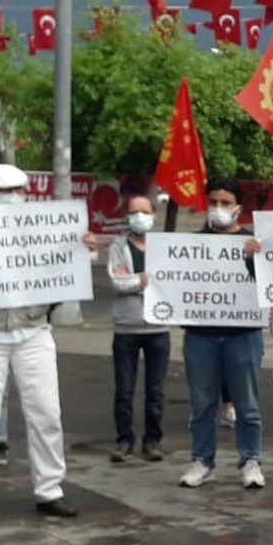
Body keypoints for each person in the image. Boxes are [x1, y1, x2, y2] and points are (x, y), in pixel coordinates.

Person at [0, 163, 79, 526]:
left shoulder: (44, 229)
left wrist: (77, 251)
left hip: (34, 330)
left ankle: (50, 490)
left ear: (26, 191)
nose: (9, 198)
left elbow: (63, 272)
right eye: (0, 192)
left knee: (47, 413)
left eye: (15, 191)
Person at [176, 178, 266, 490]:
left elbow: (269, 287)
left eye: (225, 203)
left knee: (248, 403)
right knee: (202, 404)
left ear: (238, 208)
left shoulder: (253, 243)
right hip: (200, 336)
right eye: (213, 202)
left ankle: (251, 460)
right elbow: (178, 284)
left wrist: (255, 260)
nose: (219, 208)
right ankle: (202, 461)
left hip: (244, 335)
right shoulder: (192, 244)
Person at [107, 193, 169, 462]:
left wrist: (133, 279)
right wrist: (142, 280)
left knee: (155, 390)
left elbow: (171, 280)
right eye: (133, 212)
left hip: (158, 328)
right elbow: (116, 282)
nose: (138, 217)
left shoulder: (165, 246)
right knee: (125, 389)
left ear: (153, 213)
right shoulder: (118, 246)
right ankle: (124, 440)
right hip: (126, 327)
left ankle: (152, 441)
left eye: (143, 212)